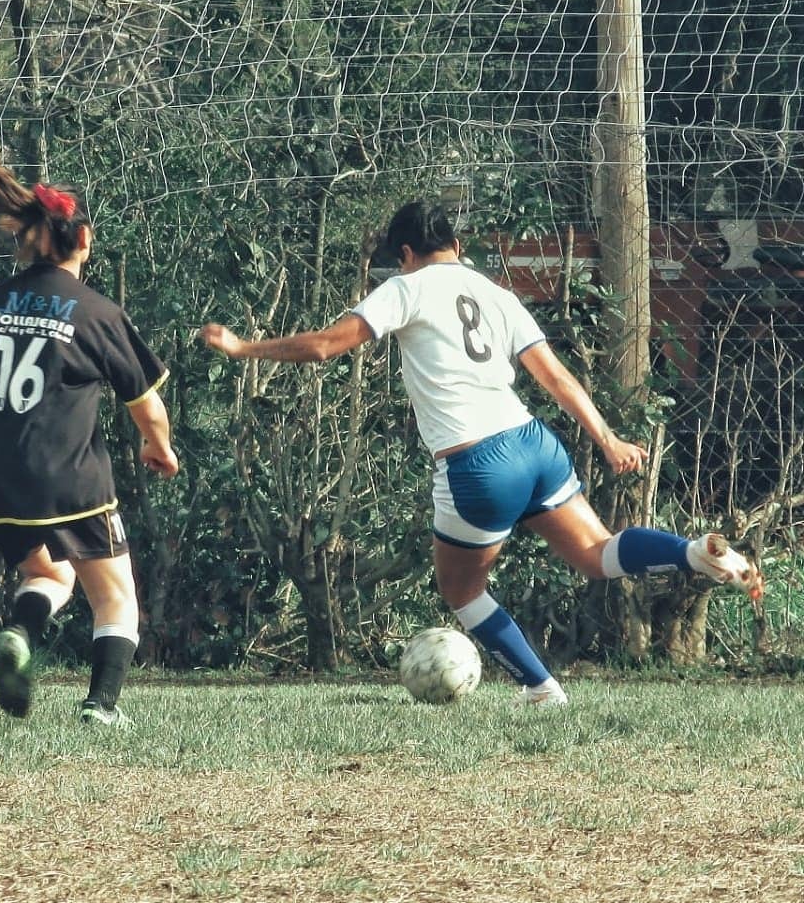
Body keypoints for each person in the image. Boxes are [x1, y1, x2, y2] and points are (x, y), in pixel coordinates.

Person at [199, 199, 764, 707]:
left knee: (461, 589)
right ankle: (692, 553)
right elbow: (556, 377)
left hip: (478, 463)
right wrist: (608, 439)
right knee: (597, 554)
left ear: (405, 253)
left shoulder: (405, 287)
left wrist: (243, 346)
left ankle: (543, 690)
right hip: (533, 442)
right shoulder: (497, 295)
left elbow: (325, 347)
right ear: (458, 247)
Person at [0, 128, 179, 726]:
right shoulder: (97, 313)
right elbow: (147, 407)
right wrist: (161, 448)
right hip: (67, 478)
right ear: (85, 240)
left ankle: (20, 635)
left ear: (26, 242)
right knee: (116, 597)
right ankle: (101, 708)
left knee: (48, 572)